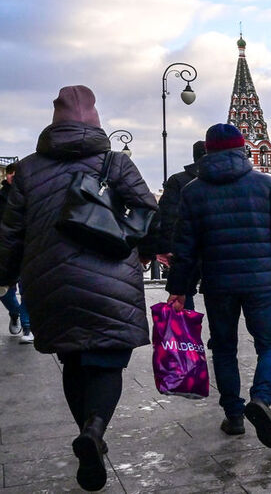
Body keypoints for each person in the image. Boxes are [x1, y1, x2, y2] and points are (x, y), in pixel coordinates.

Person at [0, 86, 157, 491]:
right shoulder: (115, 162)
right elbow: (146, 211)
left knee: (73, 360)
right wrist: (129, 241)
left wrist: (4, 274)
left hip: (48, 279)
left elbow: (10, 232)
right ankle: (95, 430)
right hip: (109, 274)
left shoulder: (29, 170)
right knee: (107, 358)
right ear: (96, 119)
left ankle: (89, 436)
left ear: (55, 121)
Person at [166, 123, 271, 450]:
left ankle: (234, 415)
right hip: (262, 281)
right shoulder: (265, 185)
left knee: (224, 347)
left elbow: (184, 248)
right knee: (270, 343)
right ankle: (261, 399)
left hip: (218, 284)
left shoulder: (193, 191)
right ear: (243, 149)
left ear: (208, 152)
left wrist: (178, 288)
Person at [154, 141, 205, 310]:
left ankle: (186, 330)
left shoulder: (178, 180)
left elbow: (167, 217)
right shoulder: (224, 179)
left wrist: (165, 247)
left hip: (186, 248)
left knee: (183, 291)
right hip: (216, 249)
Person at [0, 161, 31, 341]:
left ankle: (27, 327)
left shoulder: (32, 196)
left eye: (16, 173)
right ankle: (15, 313)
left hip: (28, 247)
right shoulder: (1, 197)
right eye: (10, 173)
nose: (13, 176)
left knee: (26, 287)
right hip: (5, 248)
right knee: (4, 290)